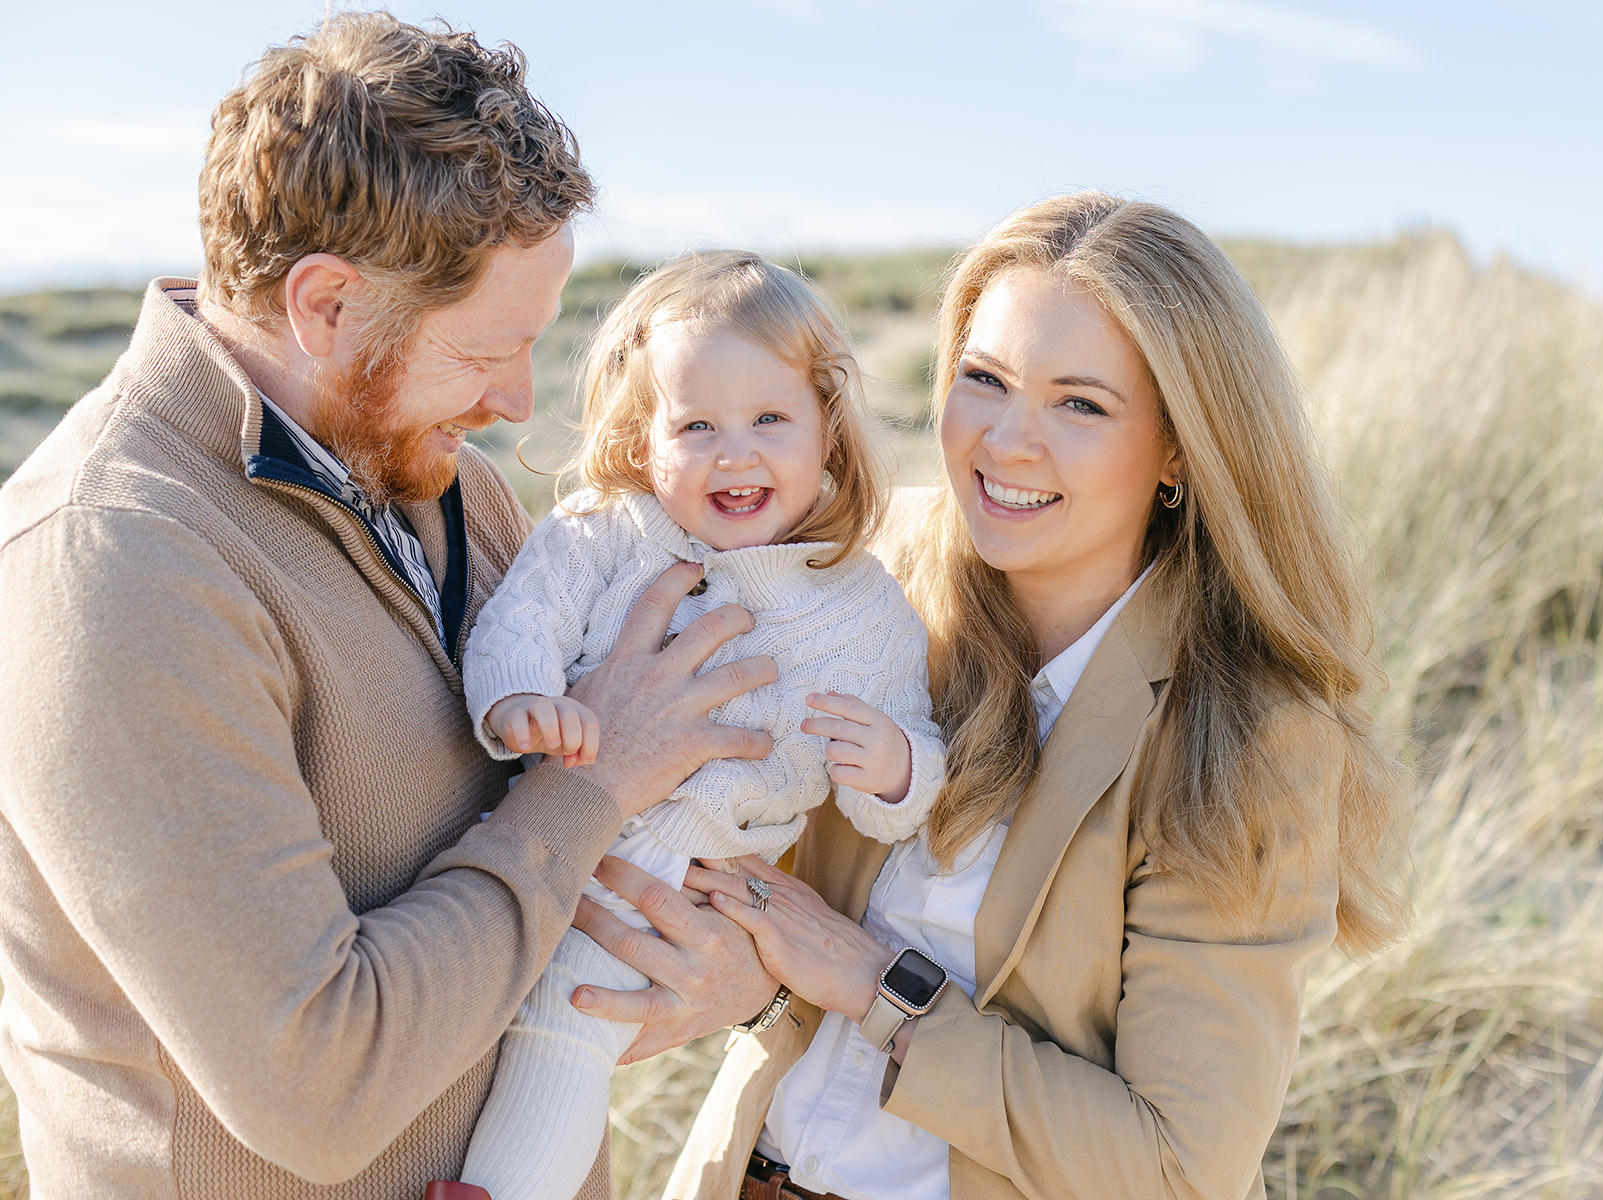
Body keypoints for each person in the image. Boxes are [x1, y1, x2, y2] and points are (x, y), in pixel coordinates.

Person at [0, 16, 775, 1199]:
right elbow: (319, 1088)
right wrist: (596, 780)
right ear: (325, 306)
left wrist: (732, 969)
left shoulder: (435, 474)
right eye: (483, 352)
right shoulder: (112, 567)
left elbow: (573, 852)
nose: (517, 402)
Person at [573, 192, 1412, 1200]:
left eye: (1080, 404)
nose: (1007, 441)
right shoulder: (855, 581)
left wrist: (874, 988)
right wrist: (751, 981)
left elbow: (1179, 1168)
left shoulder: (1251, 738)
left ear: (1182, 449)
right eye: (985, 380)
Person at [448, 252, 945, 1200]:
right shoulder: (604, 531)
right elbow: (521, 625)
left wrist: (893, 769)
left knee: (569, 1022)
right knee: (473, 1011)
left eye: (770, 420)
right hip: (547, 821)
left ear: (827, 436)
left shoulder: (861, 609)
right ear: (644, 441)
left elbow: (905, 795)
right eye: (697, 426)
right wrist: (518, 704)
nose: (736, 453)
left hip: (686, 871)